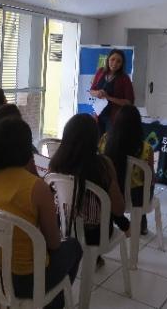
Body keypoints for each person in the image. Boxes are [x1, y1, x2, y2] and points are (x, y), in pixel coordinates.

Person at [0, 117, 82, 309]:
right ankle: (51, 303)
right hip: (24, 280)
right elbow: (54, 244)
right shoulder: (36, 187)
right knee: (74, 247)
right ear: (26, 149)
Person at [49, 113, 130, 266]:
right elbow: (119, 209)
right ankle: (96, 257)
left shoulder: (55, 164)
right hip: (96, 236)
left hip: (63, 229)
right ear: (95, 139)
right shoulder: (103, 166)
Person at [102, 104, 155, 235]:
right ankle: (141, 221)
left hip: (110, 193)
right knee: (147, 184)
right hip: (136, 198)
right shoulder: (146, 149)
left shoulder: (105, 140)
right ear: (138, 125)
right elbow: (150, 179)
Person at [89, 49, 134, 134]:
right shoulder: (100, 71)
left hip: (114, 118)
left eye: (118, 61)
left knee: (110, 144)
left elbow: (129, 102)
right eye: (112, 59)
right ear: (108, 59)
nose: (114, 63)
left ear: (122, 64)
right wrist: (97, 93)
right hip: (98, 115)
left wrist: (108, 97)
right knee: (97, 142)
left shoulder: (125, 78)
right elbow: (91, 90)